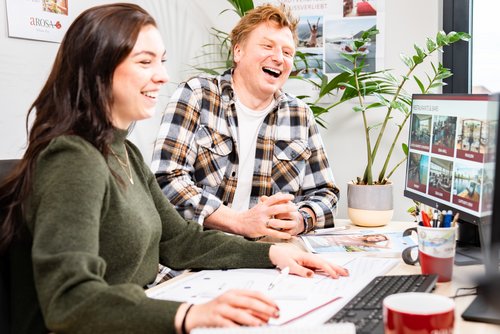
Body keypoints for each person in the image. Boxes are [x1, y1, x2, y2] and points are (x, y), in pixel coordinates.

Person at [0, 4, 348, 334]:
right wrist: (188, 314)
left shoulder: (124, 152)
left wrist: (274, 252)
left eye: (162, 61)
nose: (163, 76)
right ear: (99, 67)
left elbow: (179, 240)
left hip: (148, 304)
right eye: (145, 61)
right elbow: (69, 299)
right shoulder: (72, 159)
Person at [152, 4, 339, 241]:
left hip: (270, 253)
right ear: (238, 52)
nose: (279, 58)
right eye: (267, 46)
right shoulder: (197, 95)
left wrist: (302, 219)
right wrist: (239, 222)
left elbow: (326, 193)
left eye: (288, 52)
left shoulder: (300, 115)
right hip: (197, 251)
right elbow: (166, 181)